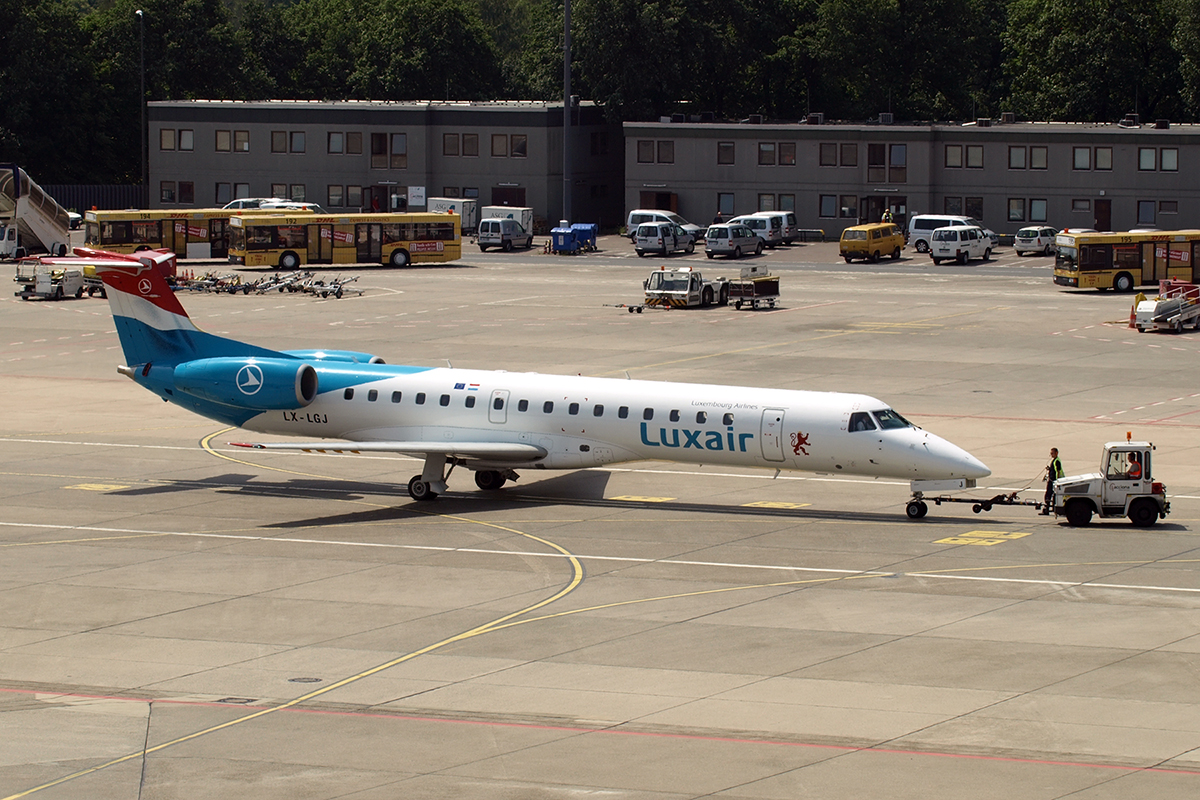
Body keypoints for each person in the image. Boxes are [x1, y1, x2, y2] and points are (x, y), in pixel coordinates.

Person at [1042, 447, 1064, 514]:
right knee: (1051, 495)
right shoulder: (1055, 460)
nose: (1051, 455)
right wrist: (1050, 469)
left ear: (1056, 453)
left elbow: (1058, 471)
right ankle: (1051, 508)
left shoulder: (1057, 461)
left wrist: (1057, 481)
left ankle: (1047, 509)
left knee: (1049, 494)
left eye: (1052, 453)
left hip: (1053, 481)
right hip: (1052, 480)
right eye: (1051, 453)